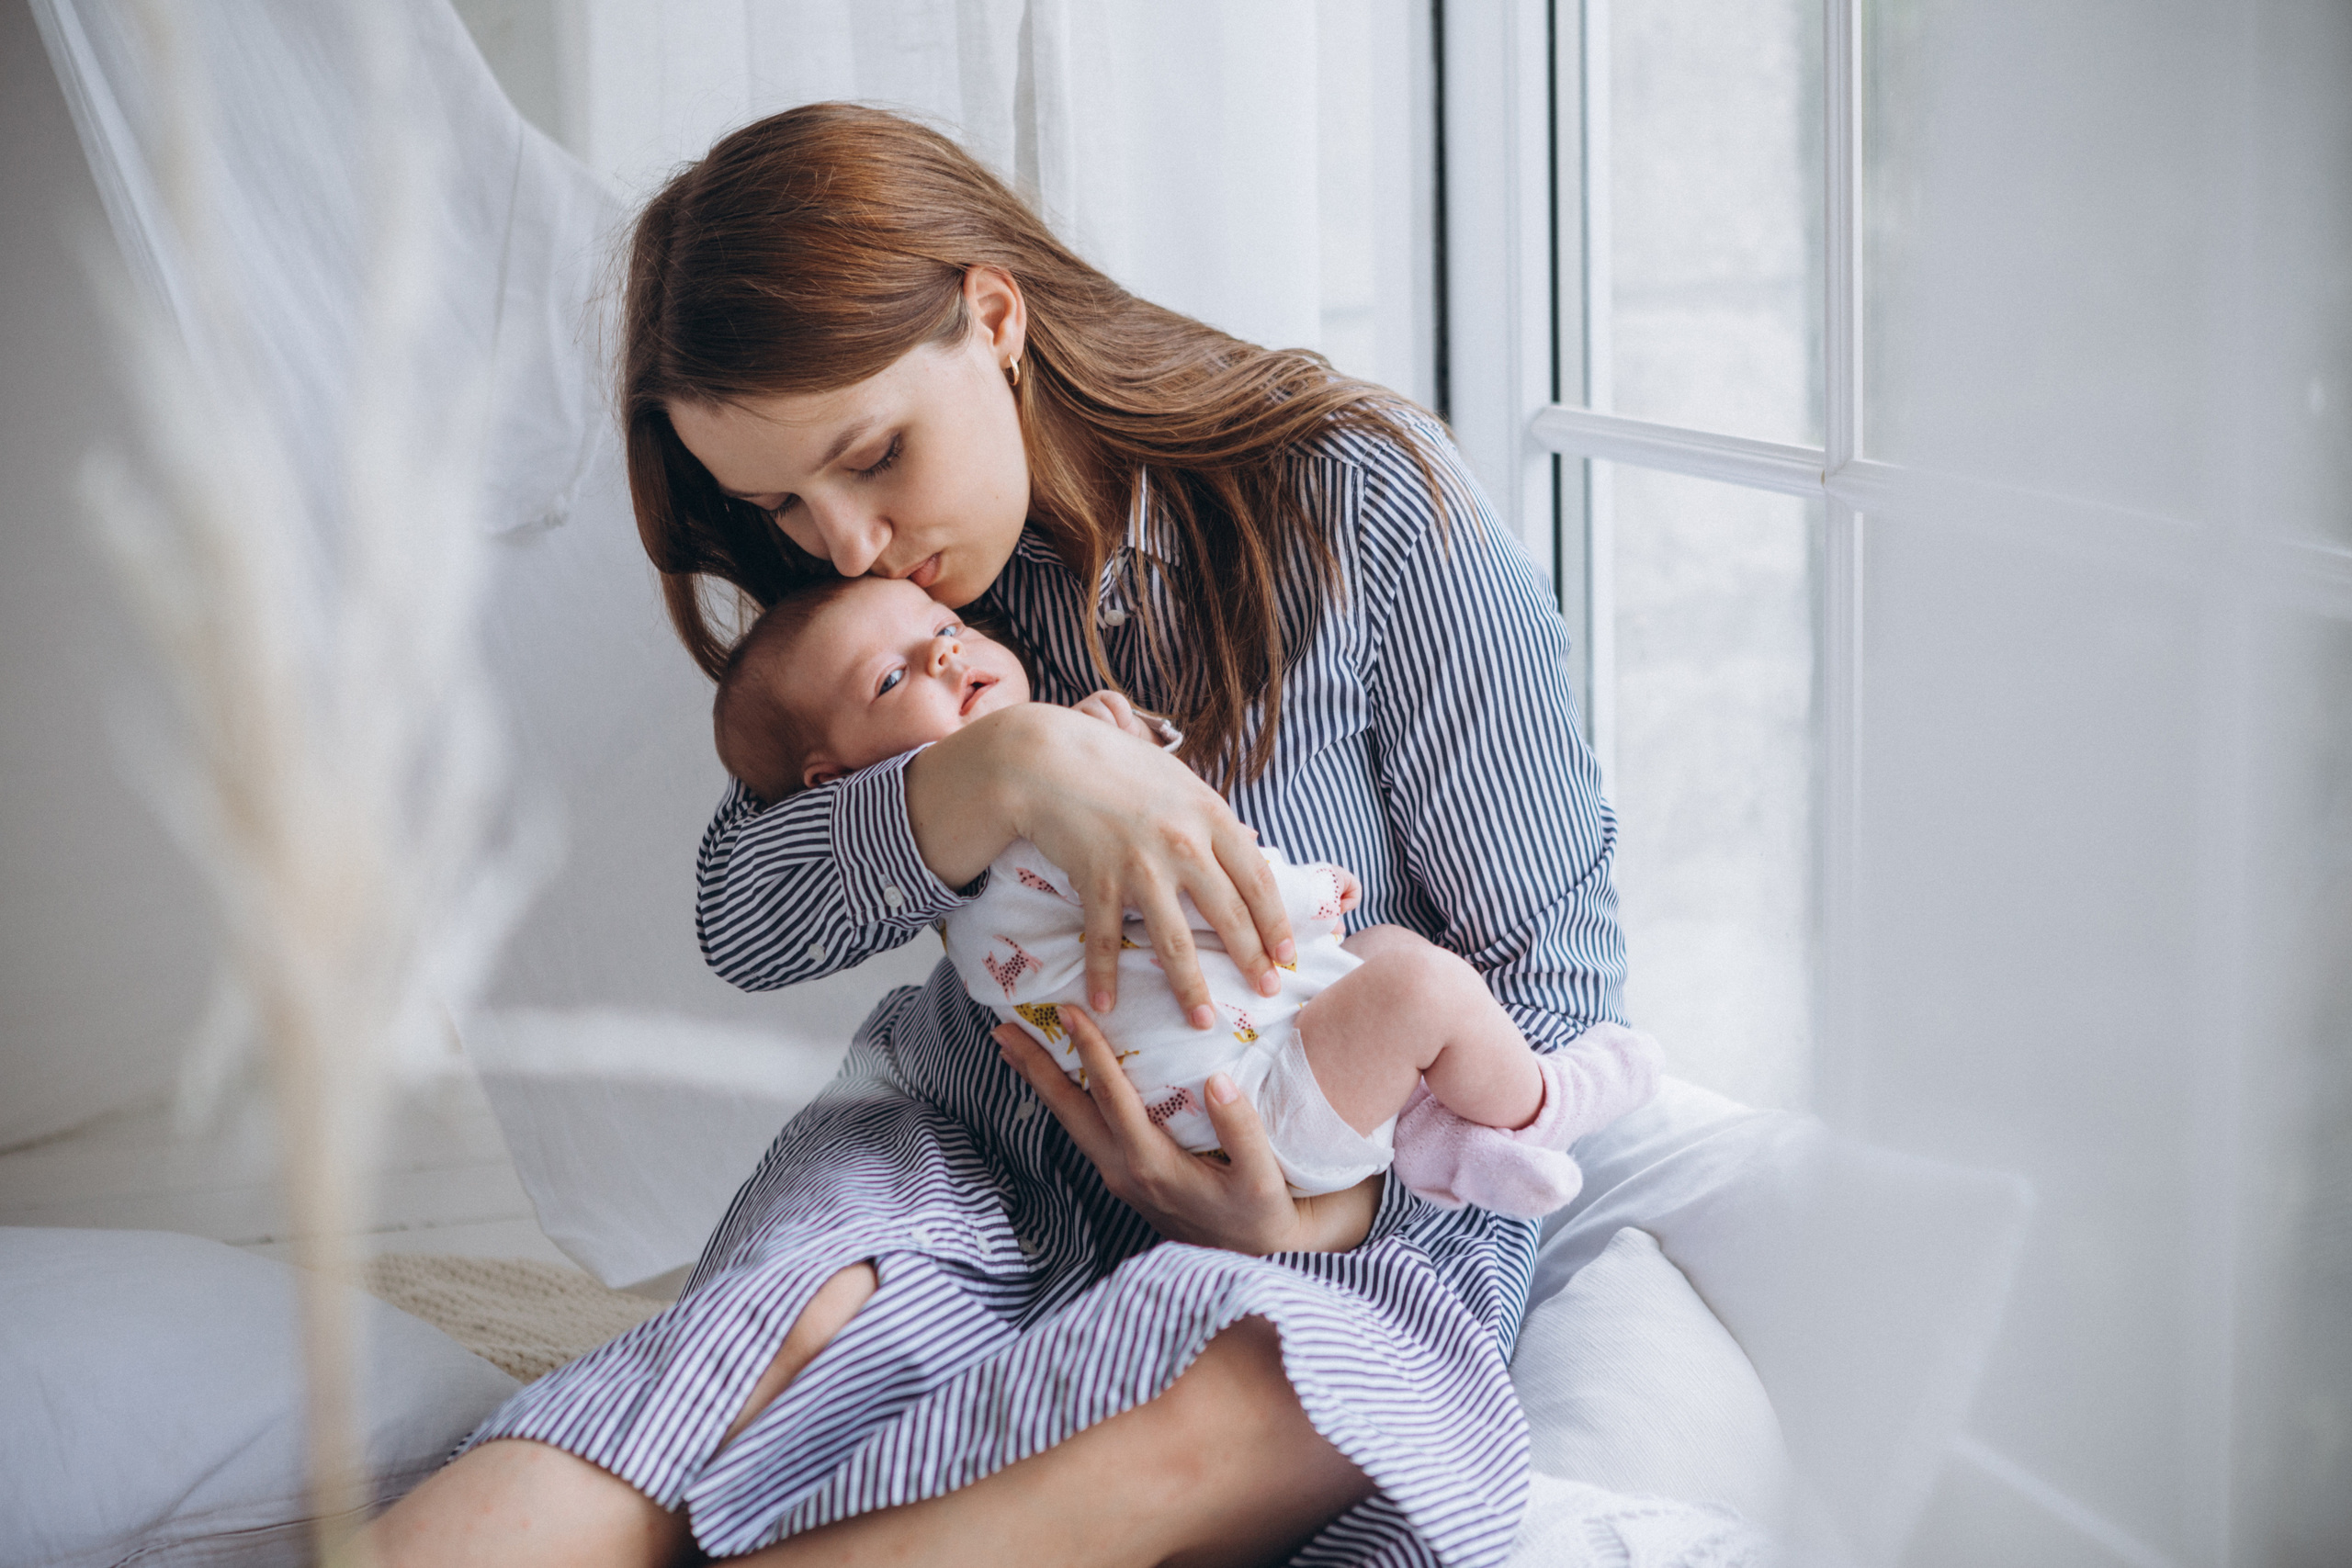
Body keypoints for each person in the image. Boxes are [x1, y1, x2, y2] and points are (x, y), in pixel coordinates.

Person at [370, 101, 1628, 1567]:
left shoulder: (1354, 503)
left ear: (995, 316)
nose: (842, 543)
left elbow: (1551, 967)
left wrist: (1316, 1220)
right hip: (972, 1157)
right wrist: (1006, 767)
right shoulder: (894, 628)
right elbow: (748, 911)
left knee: (1273, 1397)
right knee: (769, 1336)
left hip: (1318, 1212)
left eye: (873, 455)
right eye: (779, 501)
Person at [709, 572, 1659, 1216]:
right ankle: (1545, 1097)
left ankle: (1446, 1145)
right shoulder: (1015, 834)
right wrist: (1308, 897)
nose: (947, 659)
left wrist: (1117, 748)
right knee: (1415, 982)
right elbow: (1199, 893)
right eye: (891, 678)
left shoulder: (961, 864)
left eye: (947, 631)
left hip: (1237, 1097)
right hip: (1252, 1102)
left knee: (1385, 980)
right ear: (834, 781)